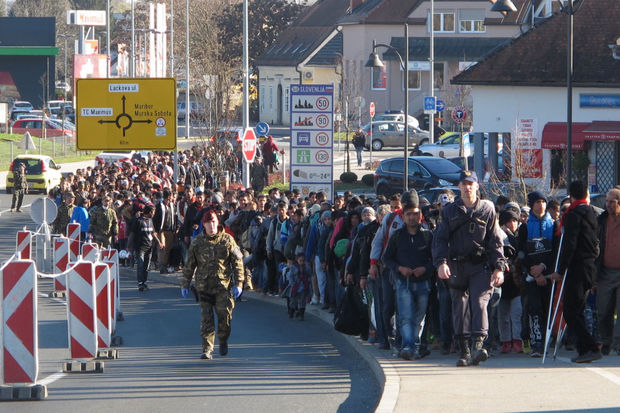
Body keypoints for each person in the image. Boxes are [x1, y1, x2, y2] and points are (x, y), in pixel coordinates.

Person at [432, 171, 506, 367]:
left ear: (477, 186)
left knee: (480, 302)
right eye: (464, 184)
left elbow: (496, 242)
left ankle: (478, 345)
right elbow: (440, 239)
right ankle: (464, 350)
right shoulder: (449, 211)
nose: (467, 187)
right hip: (456, 265)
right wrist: (441, 263)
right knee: (460, 306)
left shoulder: (487, 210)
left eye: (470, 184)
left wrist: (499, 267)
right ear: (459, 187)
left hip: (479, 265)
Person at [180, 208, 245, 360]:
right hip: (204, 287)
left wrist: (239, 283)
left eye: (214, 222)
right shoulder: (197, 243)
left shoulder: (227, 240)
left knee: (224, 318)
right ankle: (207, 349)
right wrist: (185, 284)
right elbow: (189, 265)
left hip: (223, 287)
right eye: (208, 223)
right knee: (206, 319)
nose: (211, 225)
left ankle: (223, 340)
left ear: (218, 222)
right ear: (204, 225)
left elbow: (237, 263)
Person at [550, 180, 601, 363]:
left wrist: (560, 270)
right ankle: (584, 349)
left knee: (571, 311)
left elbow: (569, 244)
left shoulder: (573, 215)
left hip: (577, 267)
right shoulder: (591, 212)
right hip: (589, 266)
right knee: (577, 309)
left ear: (571, 195)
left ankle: (592, 346)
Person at [382, 200, 434, 360]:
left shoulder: (427, 235)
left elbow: (435, 259)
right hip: (403, 283)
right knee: (405, 316)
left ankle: (416, 345)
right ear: (403, 217)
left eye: (415, 214)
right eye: (409, 214)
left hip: (423, 282)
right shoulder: (397, 236)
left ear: (420, 216)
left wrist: (425, 268)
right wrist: (400, 268)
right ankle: (407, 346)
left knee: (419, 317)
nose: (412, 217)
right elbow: (386, 258)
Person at [517, 191, 557, 357]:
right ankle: (537, 343)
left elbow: (556, 250)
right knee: (534, 309)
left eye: (543, 202)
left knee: (548, 308)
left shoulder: (554, 225)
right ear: (531, 204)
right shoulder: (525, 227)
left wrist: (543, 267)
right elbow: (521, 253)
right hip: (531, 275)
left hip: (549, 274)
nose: (541, 205)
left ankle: (549, 340)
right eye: (537, 202)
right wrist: (534, 271)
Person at [596, 188, 620, 355]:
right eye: (607, 201)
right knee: (603, 310)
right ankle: (605, 341)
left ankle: (618, 344)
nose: (608, 205)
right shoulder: (601, 220)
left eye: (612, 202)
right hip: (604, 272)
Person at [132, 204, 162, 291]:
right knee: (140, 265)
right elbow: (132, 234)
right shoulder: (138, 221)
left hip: (149, 247)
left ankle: (144, 282)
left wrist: (159, 242)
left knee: (146, 266)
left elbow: (153, 233)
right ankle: (140, 283)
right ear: (149, 212)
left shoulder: (150, 221)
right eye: (153, 212)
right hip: (140, 247)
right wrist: (129, 247)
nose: (154, 214)